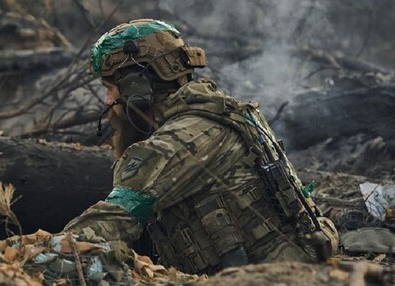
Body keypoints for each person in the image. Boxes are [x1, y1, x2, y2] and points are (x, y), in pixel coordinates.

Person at [62, 19, 338, 275]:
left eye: (110, 87)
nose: (107, 100)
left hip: (269, 277)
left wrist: (34, 254)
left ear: (138, 87)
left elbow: (110, 222)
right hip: (289, 269)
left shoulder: (180, 140)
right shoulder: (222, 112)